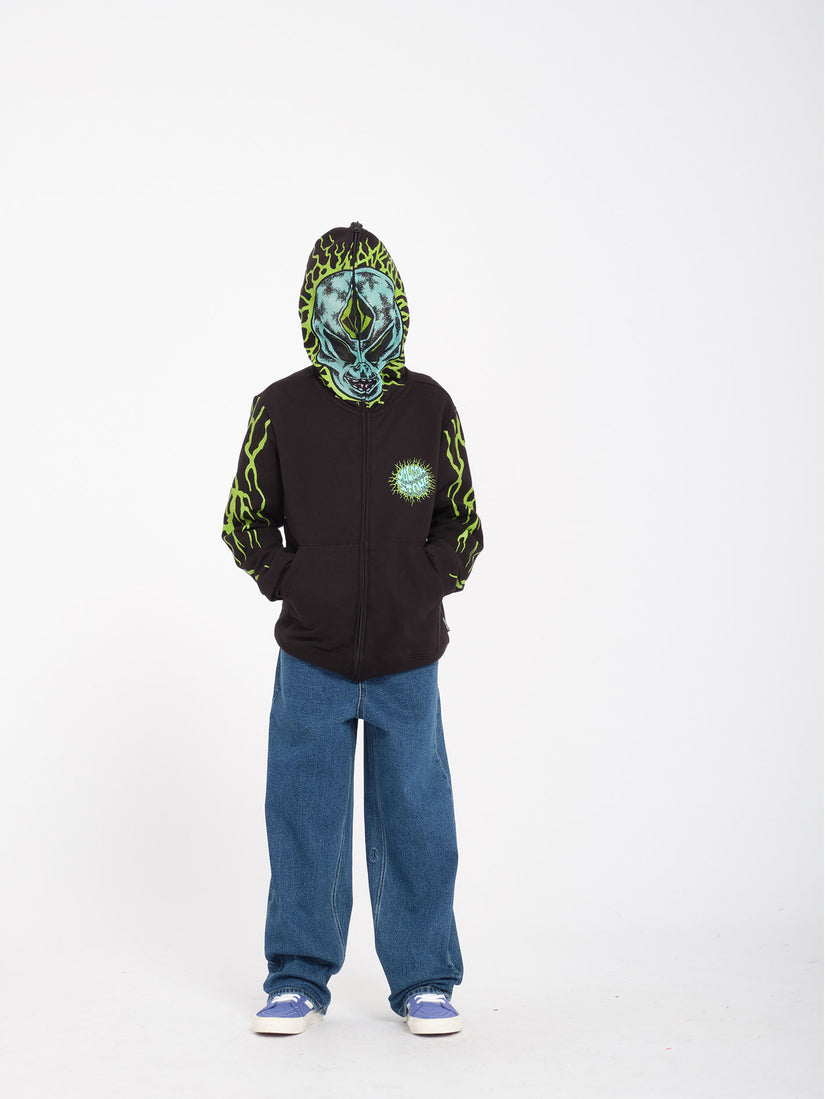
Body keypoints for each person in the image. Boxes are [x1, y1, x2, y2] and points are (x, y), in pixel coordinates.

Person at [221, 221, 484, 1036]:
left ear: (395, 295)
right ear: (312, 301)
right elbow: (243, 521)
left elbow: (462, 523)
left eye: (370, 286)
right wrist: (292, 582)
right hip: (313, 655)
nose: (356, 305)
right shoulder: (280, 407)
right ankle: (297, 977)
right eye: (338, 289)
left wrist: (424, 583)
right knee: (305, 816)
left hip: (408, 655)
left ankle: (425, 978)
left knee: (417, 816)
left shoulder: (429, 404)